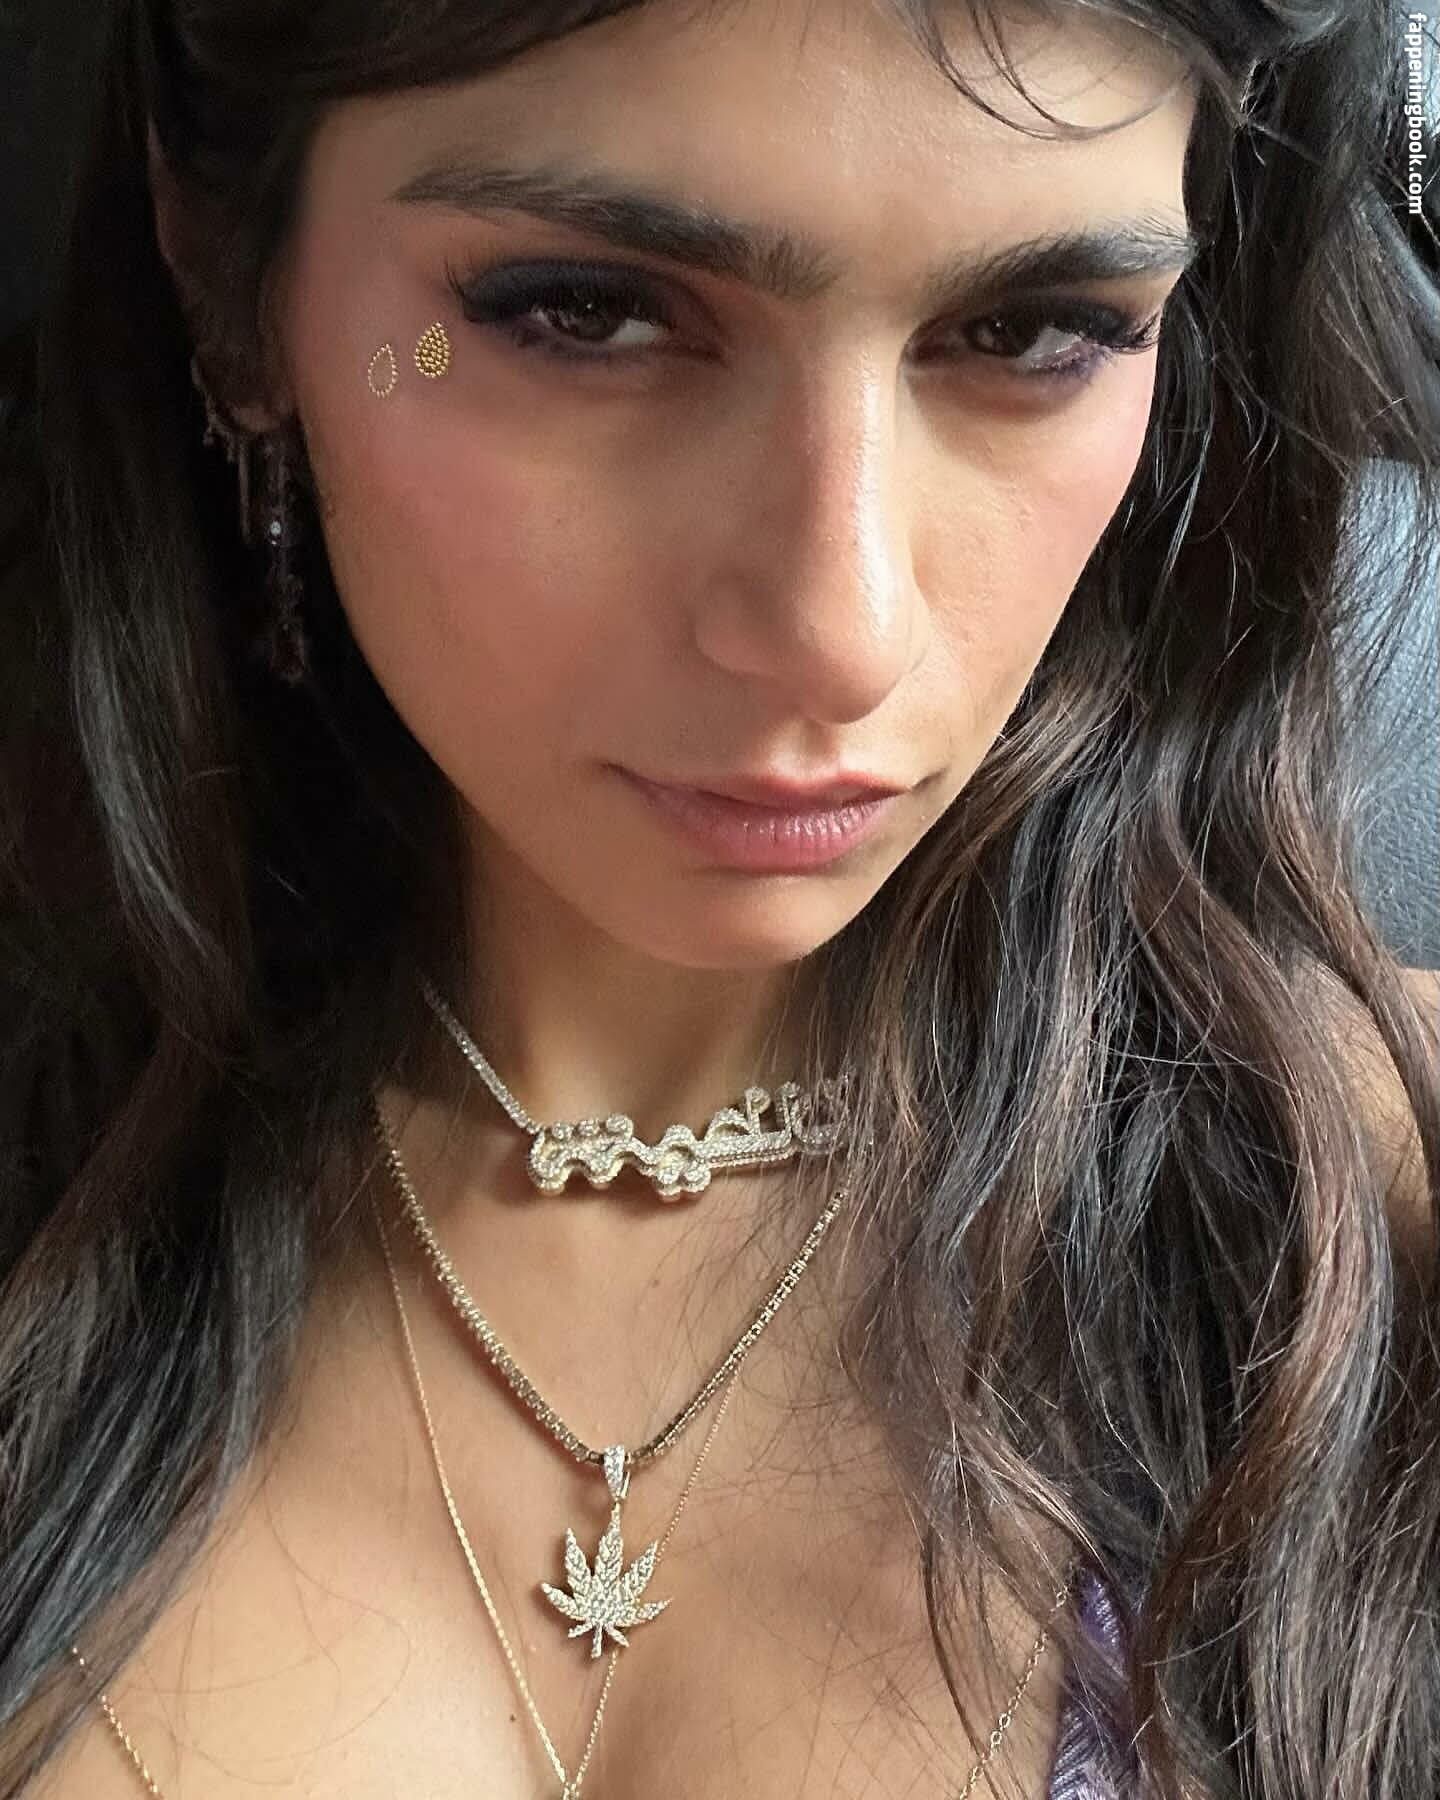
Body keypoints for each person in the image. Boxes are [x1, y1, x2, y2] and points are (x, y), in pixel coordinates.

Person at [1, 0, 1437, 1793]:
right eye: (584, 312)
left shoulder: (1360, 1198)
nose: (843, 632)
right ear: (233, 286)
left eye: (1035, 330)